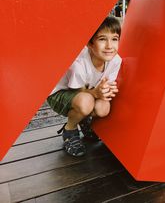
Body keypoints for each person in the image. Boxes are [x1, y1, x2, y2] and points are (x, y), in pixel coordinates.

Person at [47, 16, 122, 157]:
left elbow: (105, 86)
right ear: (90, 44)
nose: (109, 46)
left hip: (87, 92)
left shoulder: (116, 60)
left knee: (103, 108)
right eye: (102, 39)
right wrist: (97, 93)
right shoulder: (79, 63)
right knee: (85, 103)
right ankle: (70, 129)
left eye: (114, 39)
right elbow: (78, 92)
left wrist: (107, 91)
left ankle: (83, 120)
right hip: (61, 93)